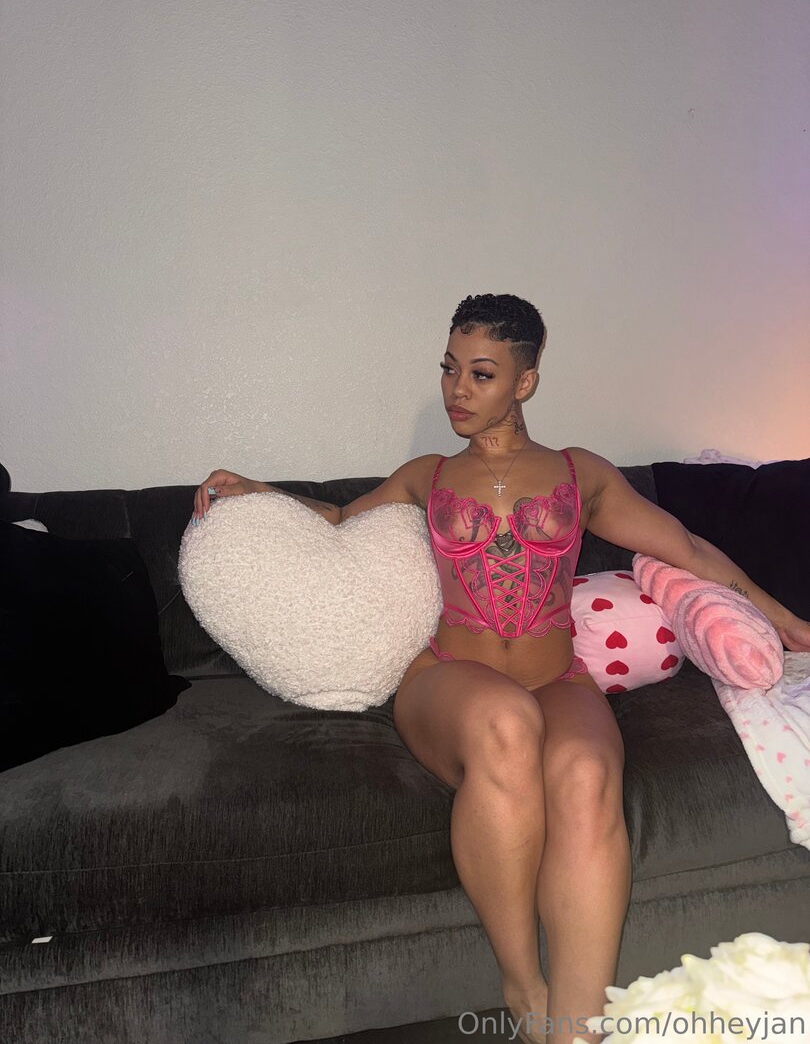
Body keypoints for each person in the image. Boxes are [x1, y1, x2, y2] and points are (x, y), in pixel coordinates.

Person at [191, 294, 810, 1044]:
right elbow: (340, 521)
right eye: (450, 369)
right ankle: (523, 986)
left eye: (480, 374)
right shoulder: (427, 475)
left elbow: (685, 548)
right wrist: (258, 493)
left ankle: (576, 1029)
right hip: (449, 678)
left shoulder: (580, 474)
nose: (457, 389)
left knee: (586, 773)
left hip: (558, 680)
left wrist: (785, 619)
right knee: (507, 723)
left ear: (525, 382)